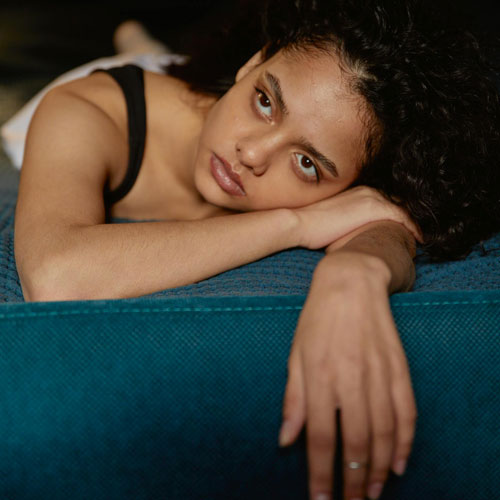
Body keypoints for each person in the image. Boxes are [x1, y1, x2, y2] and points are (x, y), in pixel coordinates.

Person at [12, 1, 500, 500]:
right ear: (254, 62)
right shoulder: (88, 109)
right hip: (80, 96)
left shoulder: (334, 155)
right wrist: (297, 222)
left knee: (170, 59)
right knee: (139, 61)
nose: (251, 153)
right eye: (266, 101)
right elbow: (57, 275)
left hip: (207, 94)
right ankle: (134, 42)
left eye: (307, 162)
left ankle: (150, 46)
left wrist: (357, 273)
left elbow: (388, 224)